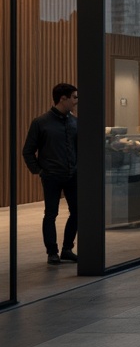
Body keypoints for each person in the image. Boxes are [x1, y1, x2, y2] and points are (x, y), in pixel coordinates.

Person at [22, 83, 79, 266]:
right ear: (63, 99)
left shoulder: (75, 122)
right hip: (52, 176)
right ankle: (52, 252)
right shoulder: (40, 122)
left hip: (73, 175)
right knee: (51, 214)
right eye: (74, 97)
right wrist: (39, 170)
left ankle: (67, 249)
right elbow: (28, 151)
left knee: (77, 212)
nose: (76, 101)